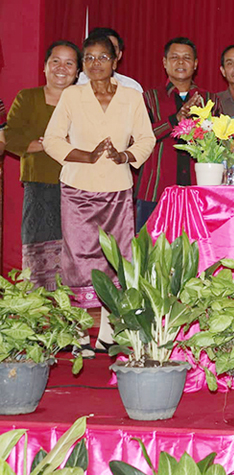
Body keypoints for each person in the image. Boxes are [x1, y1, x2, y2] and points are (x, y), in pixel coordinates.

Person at [43, 35, 155, 346]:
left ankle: (107, 334)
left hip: (118, 188)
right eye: (89, 58)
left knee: (115, 258)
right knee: (78, 259)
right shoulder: (72, 95)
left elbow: (146, 139)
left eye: (102, 57)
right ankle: (79, 334)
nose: (96, 64)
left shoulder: (131, 97)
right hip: (77, 187)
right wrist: (85, 155)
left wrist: (126, 156)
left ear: (115, 61)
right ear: (82, 64)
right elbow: (52, 140)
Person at [5, 41, 80, 290]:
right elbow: (10, 137)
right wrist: (48, 144)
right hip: (39, 185)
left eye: (69, 63)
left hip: (79, 187)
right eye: (55, 61)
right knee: (38, 249)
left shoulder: (85, 101)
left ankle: (72, 303)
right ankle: (38, 302)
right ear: (45, 67)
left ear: (78, 71)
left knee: (76, 249)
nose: (61, 68)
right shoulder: (27, 98)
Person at [136, 38, 221, 231]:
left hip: (199, 191)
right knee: (150, 247)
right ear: (165, 62)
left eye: (187, 58)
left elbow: (220, 141)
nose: (181, 62)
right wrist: (175, 120)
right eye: (174, 57)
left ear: (196, 64)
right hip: (155, 190)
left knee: (197, 246)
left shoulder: (210, 99)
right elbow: (140, 137)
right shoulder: (149, 98)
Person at [76, 27, 143, 92]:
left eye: (112, 48)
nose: (97, 62)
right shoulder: (75, 84)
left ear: (119, 55)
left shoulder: (131, 87)